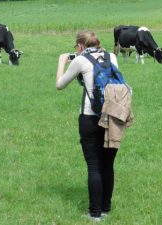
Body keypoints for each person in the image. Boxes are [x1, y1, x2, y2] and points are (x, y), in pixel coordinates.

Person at [56, 30, 119, 221]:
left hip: (90, 117)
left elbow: (59, 85)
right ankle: (106, 209)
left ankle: (95, 214)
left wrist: (62, 62)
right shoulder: (112, 56)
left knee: (94, 166)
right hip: (113, 115)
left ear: (80, 46)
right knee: (108, 165)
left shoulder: (80, 60)